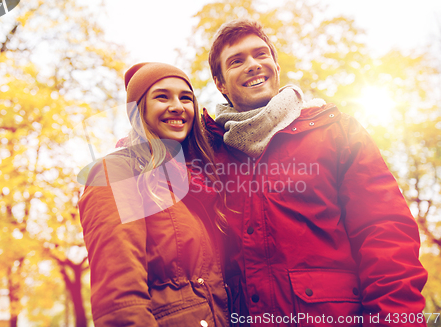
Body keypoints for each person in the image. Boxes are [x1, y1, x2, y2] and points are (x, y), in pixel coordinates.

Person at [201, 19, 428, 326]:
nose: (253, 65)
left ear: (276, 67)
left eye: (261, 54)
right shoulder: (209, 154)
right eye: (236, 61)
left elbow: (384, 233)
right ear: (220, 83)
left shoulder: (338, 131)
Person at [78, 62, 229, 326]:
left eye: (185, 98)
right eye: (162, 96)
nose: (178, 106)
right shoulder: (118, 171)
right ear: (139, 111)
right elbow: (120, 302)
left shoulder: (200, 182)